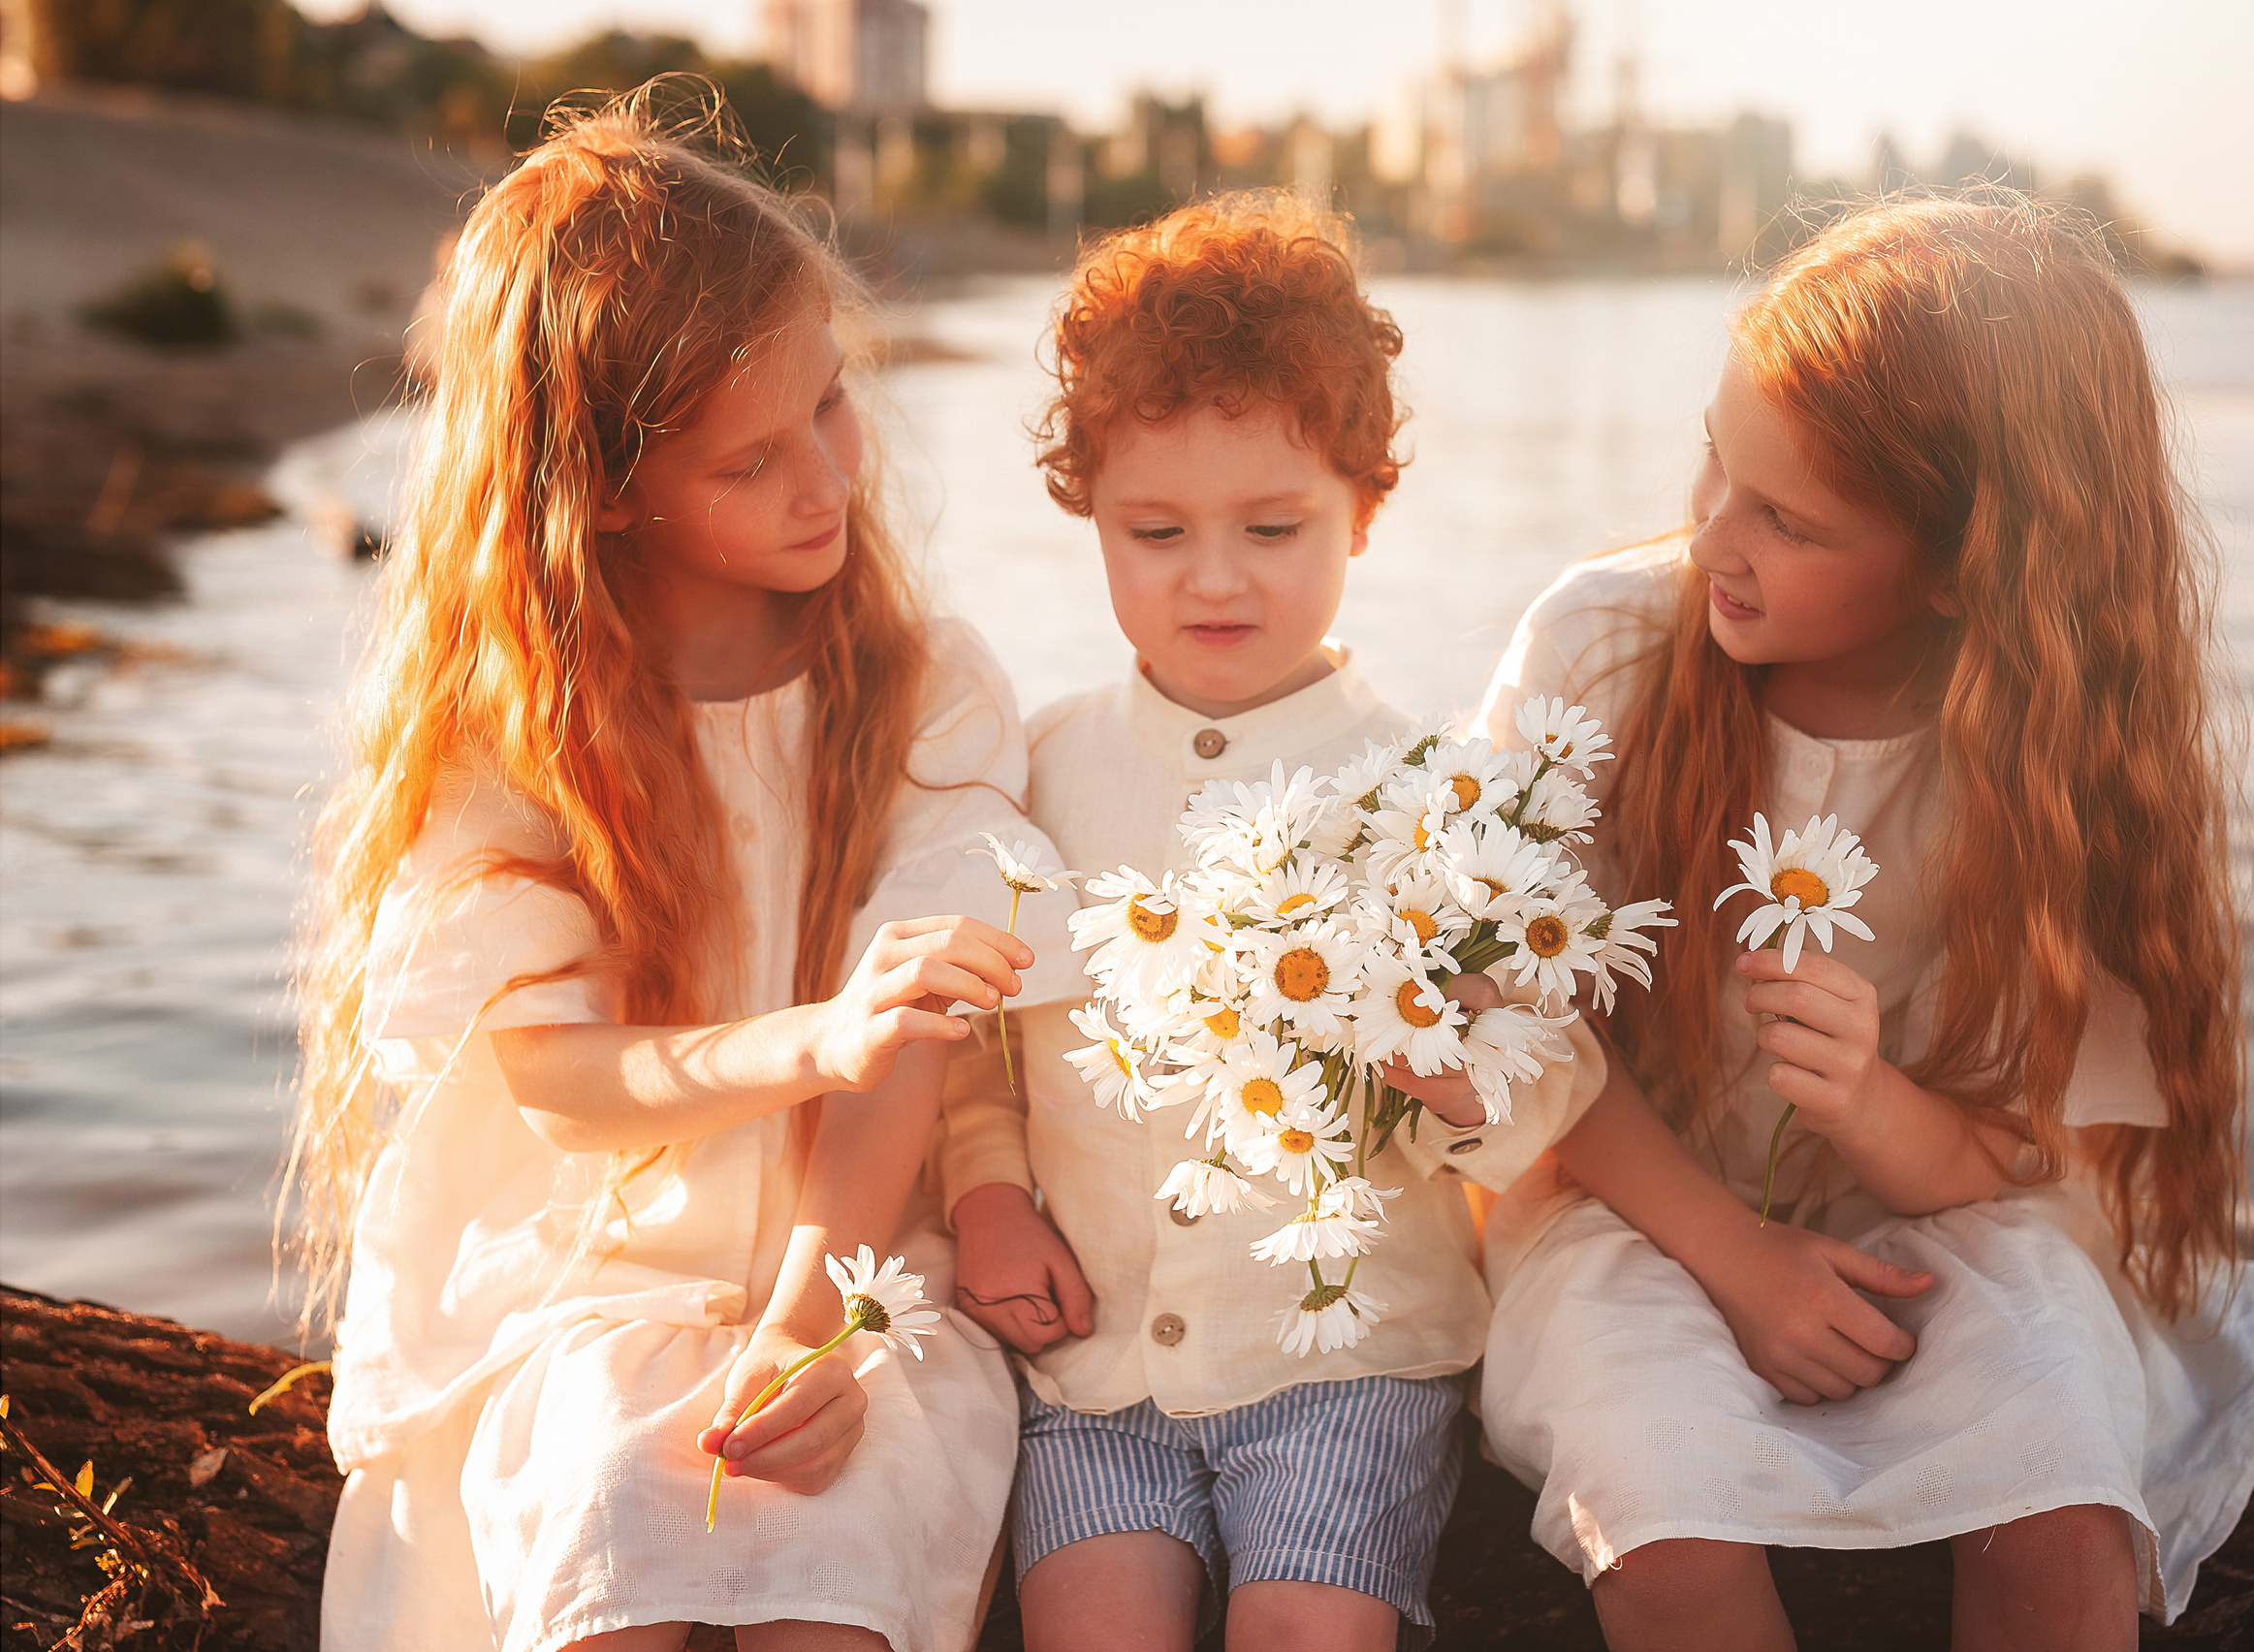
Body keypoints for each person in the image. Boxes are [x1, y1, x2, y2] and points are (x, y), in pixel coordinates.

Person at [1474, 194, 2254, 1652]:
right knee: (1667, 1505)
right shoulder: (1603, 647)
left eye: (1788, 519)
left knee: (2056, 1496)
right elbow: (1505, 1023)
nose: (1713, 536)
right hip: (1626, 1200)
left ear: (1960, 564)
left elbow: (2024, 1144)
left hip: (1947, 1213)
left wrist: (1867, 1102)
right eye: (1715, 465)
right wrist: (1738, 1260)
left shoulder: (2062, 762)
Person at [290, 88, 1078, 1652]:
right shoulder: (504, 741)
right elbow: (559, 1079)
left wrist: (816, 1319)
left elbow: (915, 1041)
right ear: (602, 490)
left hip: (861, 1266)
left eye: (834, 408)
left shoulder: (927, 692)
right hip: (592, 1278)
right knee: (607, 1562)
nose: (826, 482)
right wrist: (811, 1037)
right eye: (749, 461)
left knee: (828, 1594)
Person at [936, 192, 1607, 1652]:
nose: (1215, 575)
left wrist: (1459, 1077)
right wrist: (988, 1189)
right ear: (1088, 511)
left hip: (1351, 1359)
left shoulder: (1434, 792)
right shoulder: (1034, 770)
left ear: (1366, 506)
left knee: (1311, 1630)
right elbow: (976, 1044)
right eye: (1156, 529)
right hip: (1093, 1370)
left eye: (1275, 524)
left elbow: (1554, 1082)